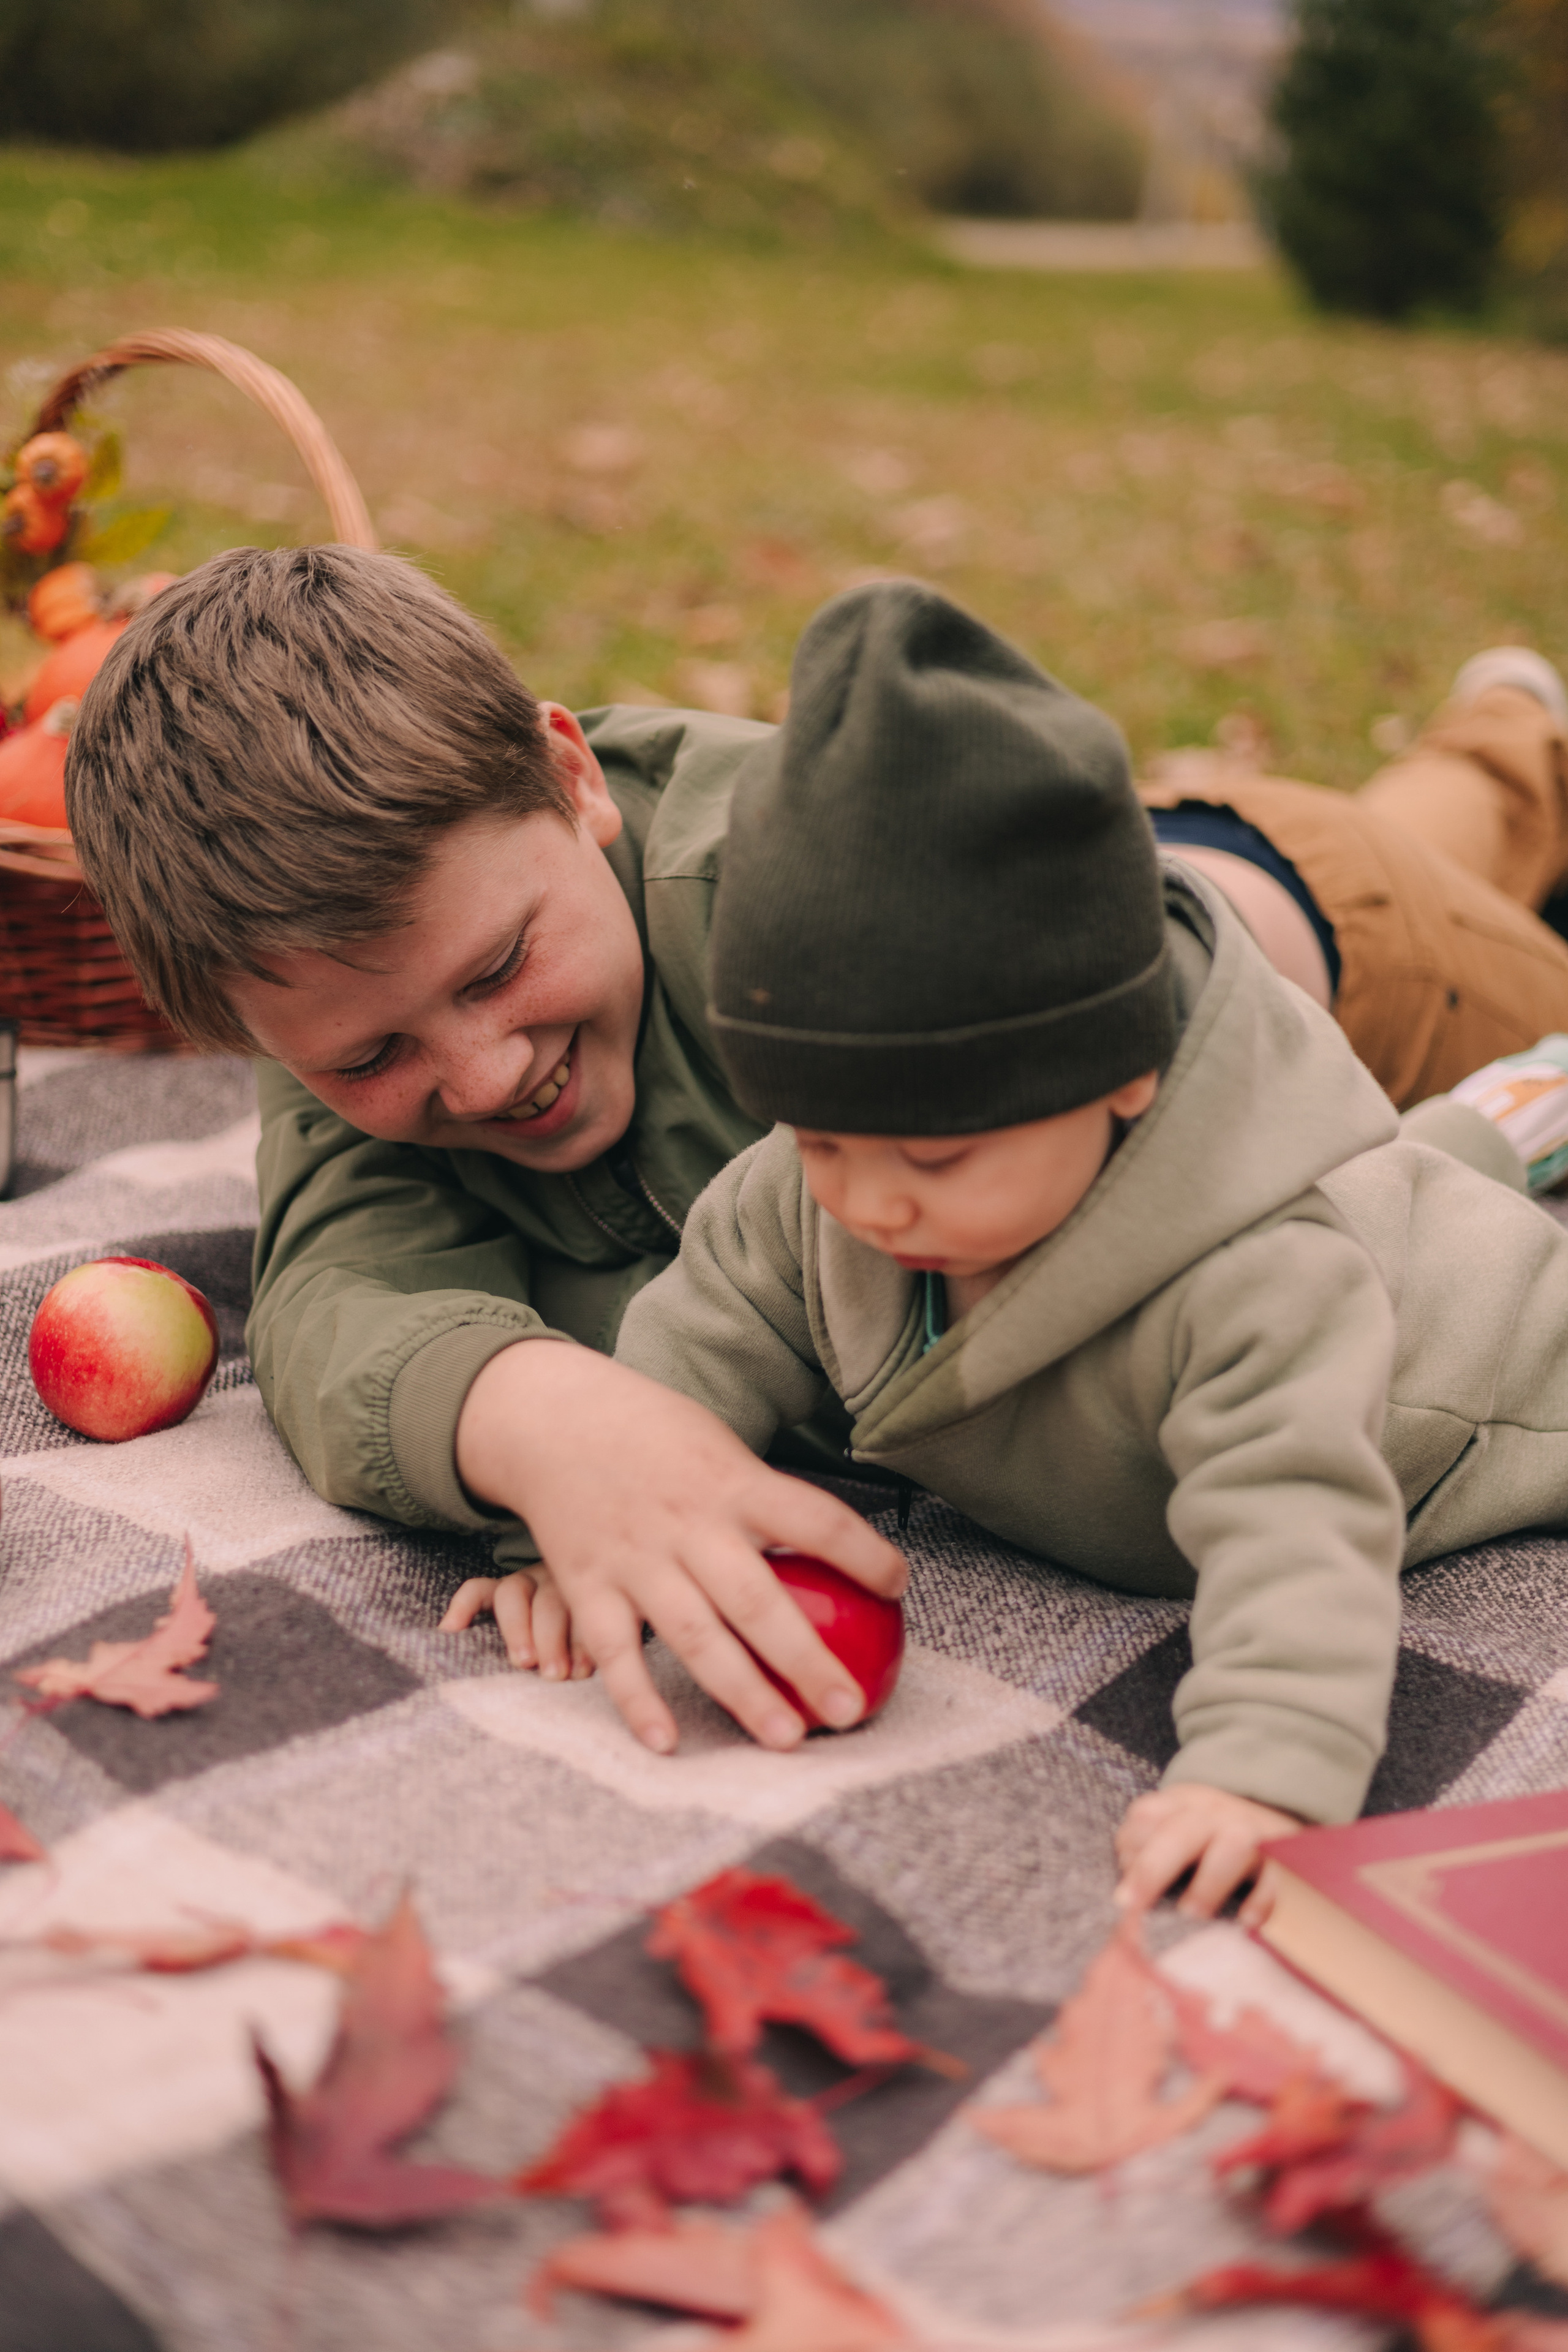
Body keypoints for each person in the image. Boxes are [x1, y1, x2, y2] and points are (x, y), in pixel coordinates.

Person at [61, 541, 1568, 1787]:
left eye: (501, 966)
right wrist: (550, 1439)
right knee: (1439, 808)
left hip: (1340, 957)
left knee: (1433, 880)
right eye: (365, 1061)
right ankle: (1496, 740)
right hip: (1211, 862)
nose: (482, 1073)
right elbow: (337, 1293)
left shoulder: (803, 919)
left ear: (571, 777)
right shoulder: (331, 979)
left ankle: (1509, 751)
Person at [608, 579, 1568, 1919]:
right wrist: (601, 1519)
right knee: (1428, 1149)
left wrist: (1261, 1772)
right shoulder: (807, 1189)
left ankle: (1533, 1089)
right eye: (821, 1141)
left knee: (1439, 1181)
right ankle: (1505, 1111)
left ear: (1121, 1077)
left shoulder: (1255, 1287)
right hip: (1376, 1187)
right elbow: (698, 1332)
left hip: (1477, 1354)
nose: (866, 1205)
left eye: (935, 1160)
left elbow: (1299, 1536)